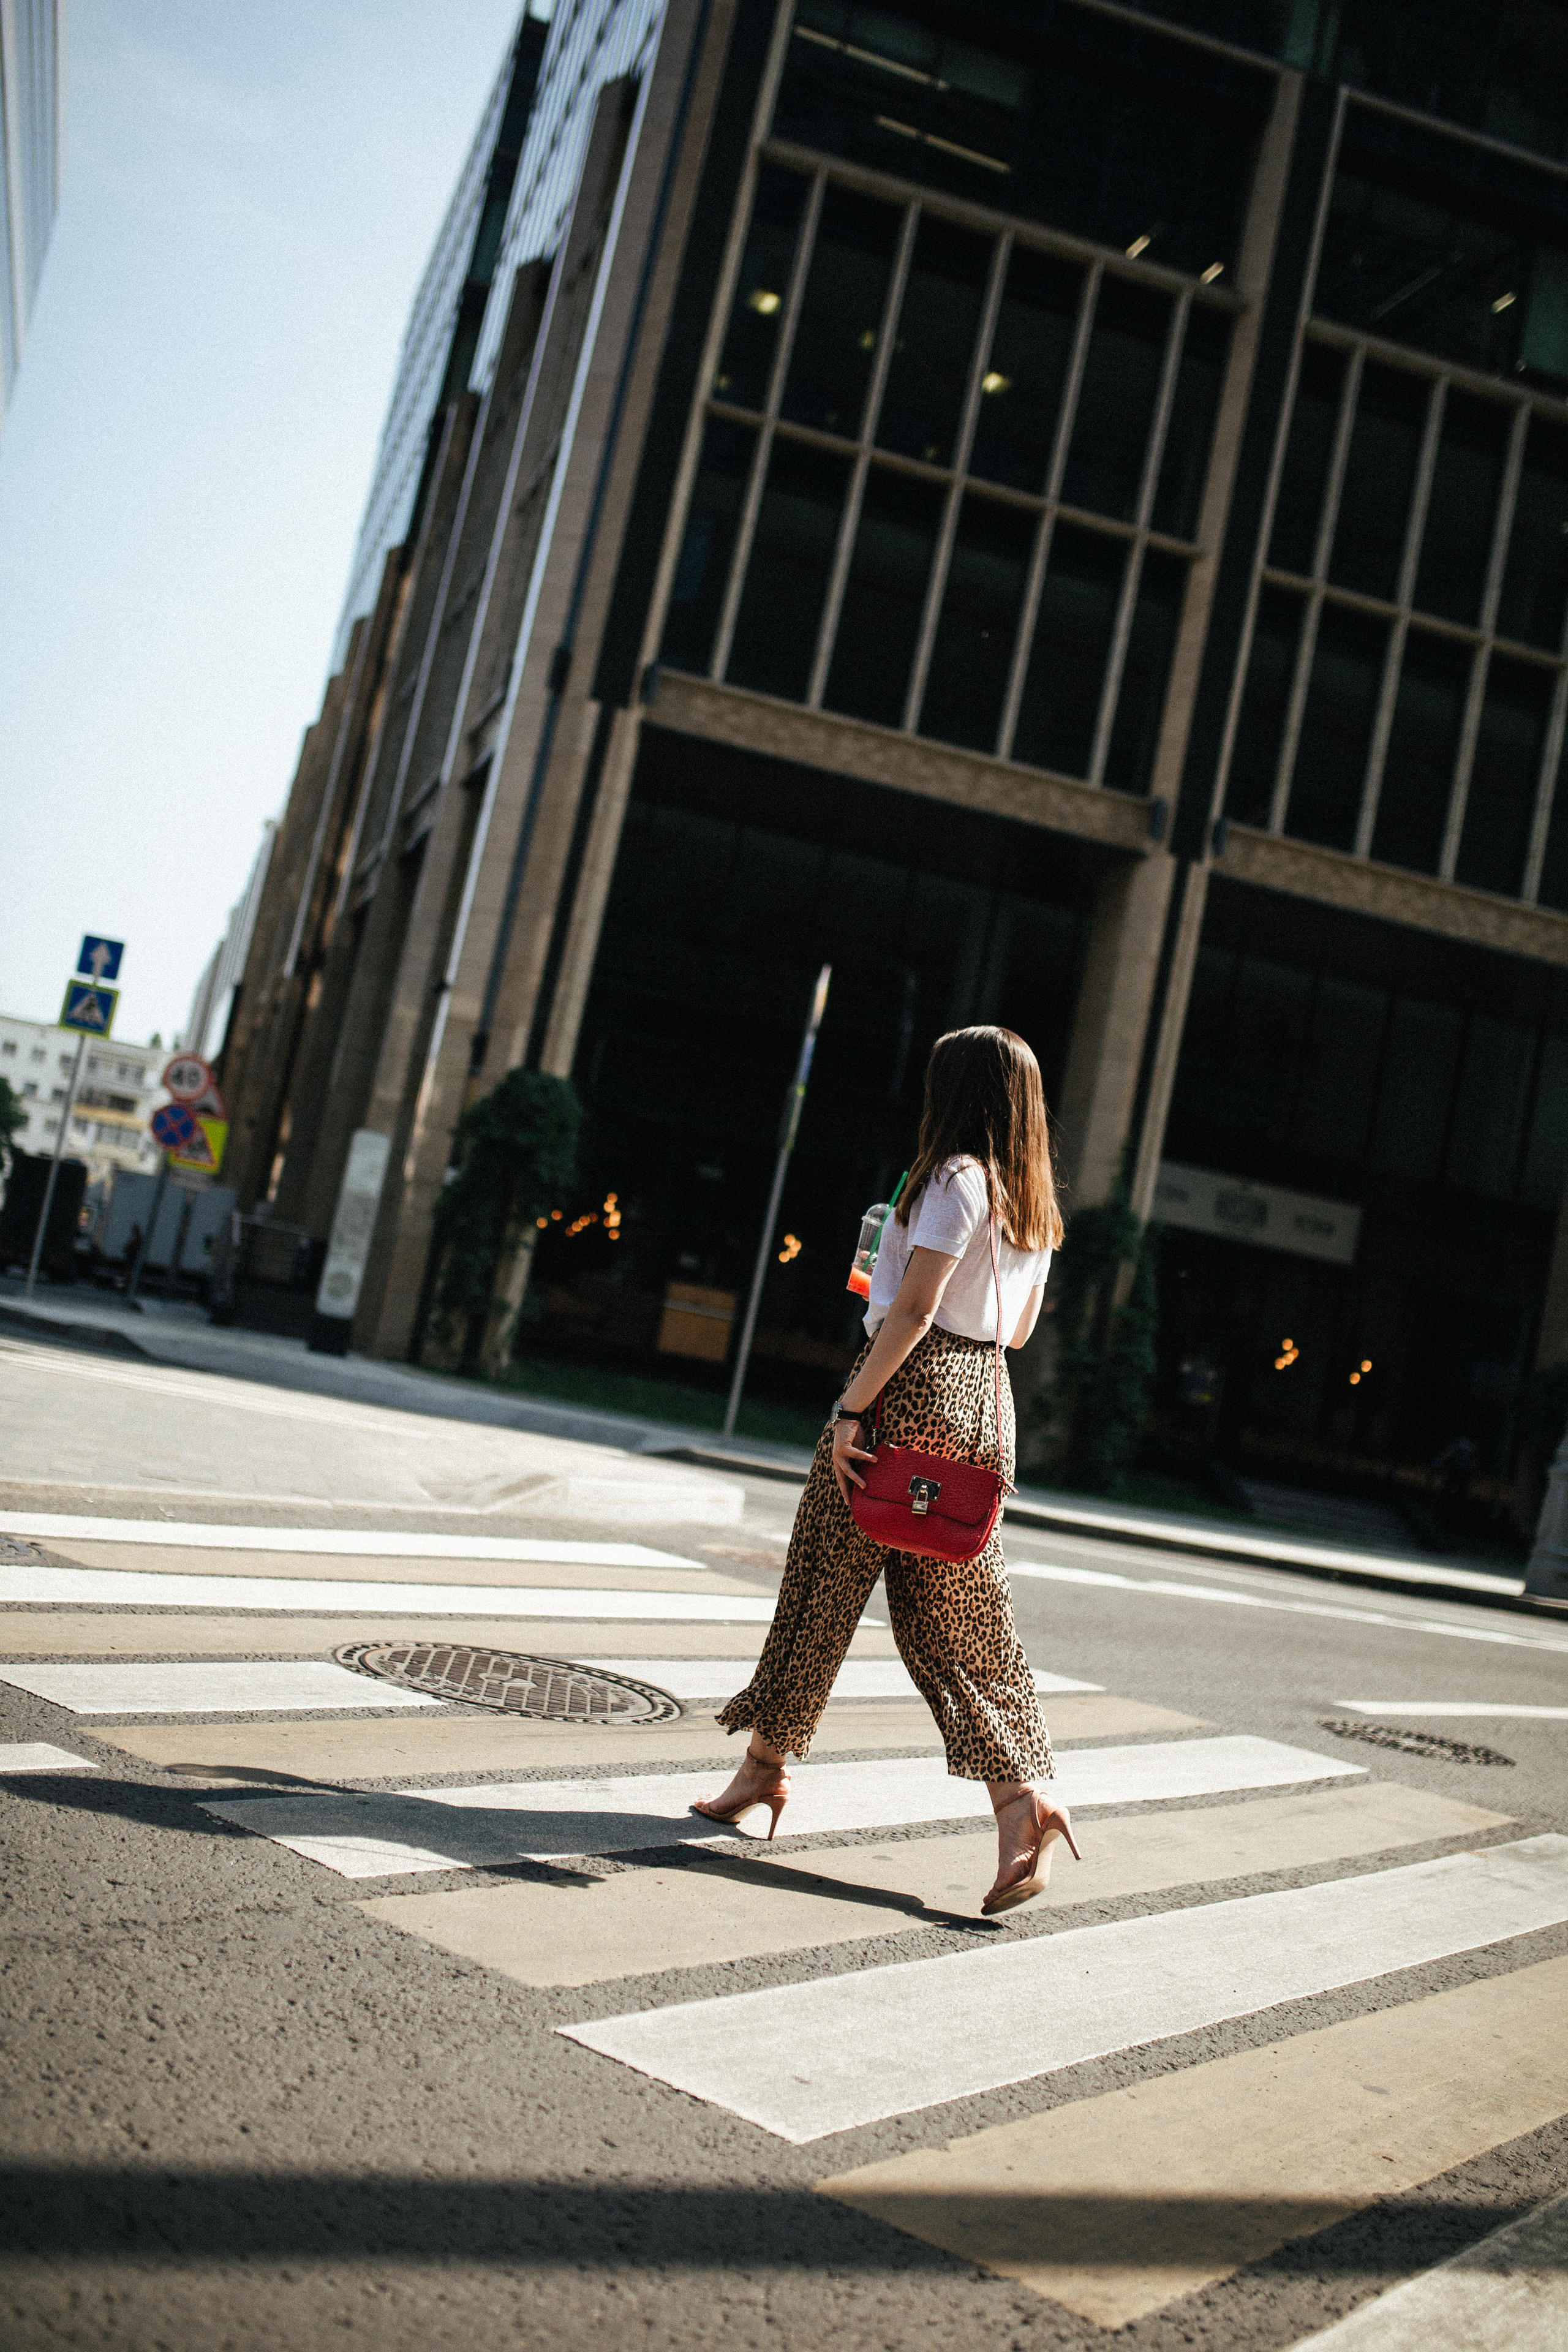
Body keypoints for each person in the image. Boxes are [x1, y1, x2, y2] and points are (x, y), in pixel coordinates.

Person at [694, 1023, 1080, 1915]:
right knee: (957, 1622)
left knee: (821, 1581)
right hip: (989, 1406)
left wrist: (851, 1411)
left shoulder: (953, 1177)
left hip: (914, 1391)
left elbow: (911, 1309)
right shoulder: (1035, 1203)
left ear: (958, 1094)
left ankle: (764, 1768)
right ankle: (1023, 1802)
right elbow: (1016, 1332)